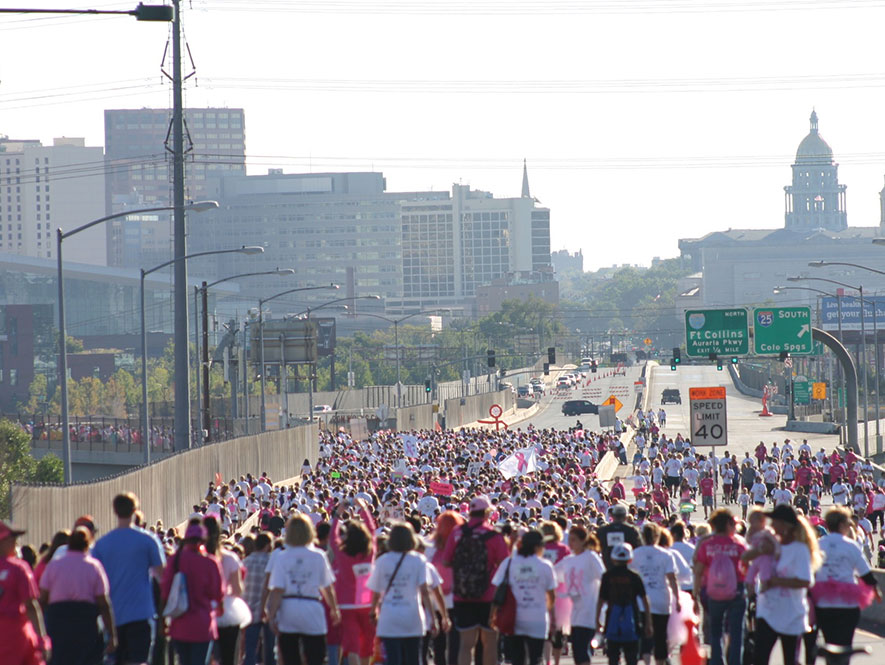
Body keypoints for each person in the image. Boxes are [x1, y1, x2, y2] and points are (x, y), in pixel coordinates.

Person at [91, 492, 165, 665]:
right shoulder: (148, 540)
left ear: (115, 511)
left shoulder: (102, 544)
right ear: (135, 510)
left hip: (111, 616)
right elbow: (163, 577)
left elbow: (93, 581)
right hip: (141, 613)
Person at [265, 514, 341, 665]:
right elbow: (327, 588)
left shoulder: (282, 557)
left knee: (290, 657)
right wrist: (334, 609)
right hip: (312, 607)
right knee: (316, 656)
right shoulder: (318, 556)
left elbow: (277, 590)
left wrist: (271, 615)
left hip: (289, 609)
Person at [441, 496, 509, 665]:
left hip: (462, 594)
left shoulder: (457, 533)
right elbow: (504, 563)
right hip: (488, 596)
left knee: (465, 644)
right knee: (490, 644)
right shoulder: (493, 535)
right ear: (487, 513)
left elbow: (446, 561)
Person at [753, 504, 821, 665]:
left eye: (775, 522)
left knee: (790, 659)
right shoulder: (772, 546)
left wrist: (776, 581)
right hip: (767, 611)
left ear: (785, 525)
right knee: (759, 658)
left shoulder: (800, 550)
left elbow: (805, 581)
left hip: (791, 613)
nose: (771, 526)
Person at [39, 525, 116, 665]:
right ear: (87, 544)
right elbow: (103, 603)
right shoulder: (94, 566)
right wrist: (112, 634)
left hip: (58, 623)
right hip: (86, 624)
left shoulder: (54, 565)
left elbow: (42, 599)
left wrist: (41, 630)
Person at [809, 507, 883, 646]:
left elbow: (810, 571)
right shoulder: (851, 546)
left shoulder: (819, 544)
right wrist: (876, 591)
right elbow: (866, 574)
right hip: (847, 603)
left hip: (823, 603)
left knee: (829, 642)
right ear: (842, 525)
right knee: (845, 643)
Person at [368, 522, 438, 665]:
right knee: (413, 658)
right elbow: (424, 591)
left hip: (389, 615)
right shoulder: (419, 560)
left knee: (393, 659)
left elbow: (375, 592)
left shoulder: (382, 561)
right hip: (412, 615)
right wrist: (432, 617)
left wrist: (373, 611)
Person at [160, 521, 224, 665]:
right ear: (204, 540)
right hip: (203, 624)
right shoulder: (211, 563)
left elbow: (165, 591)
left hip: (179, 623)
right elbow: (218, 593)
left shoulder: (175, 560)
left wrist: (163, 620)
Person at [491, 529, 557, 665]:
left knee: (517, 659)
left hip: (515, 618)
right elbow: (551, 596)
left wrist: (493, 614)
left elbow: (497, 590)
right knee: (536, 658)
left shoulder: (509, 563)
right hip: (538, 618)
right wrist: (551, 616)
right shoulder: (545, 566)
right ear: (537, 547)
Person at [694, 508, 747, 665]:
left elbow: (698, 570)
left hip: (713, 591)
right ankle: (735, 661)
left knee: (716, 631)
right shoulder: (738, 544)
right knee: (736, 632)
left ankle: (717, 661)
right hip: (736, 589)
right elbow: (748, 567)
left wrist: (696, 593)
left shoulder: (707, 545)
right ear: (729, 525)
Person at [331, 498, 377, 665]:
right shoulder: (369, 554)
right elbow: (372, 531)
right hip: (366, 603)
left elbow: (333, 539)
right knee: (367, 645)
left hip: (346, 604)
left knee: (352, 646)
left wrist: (337, 514)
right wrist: (364, 508)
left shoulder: (342, 556)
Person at [0, 520, 50, 665]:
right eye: (13, 539)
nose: (16, 543)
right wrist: (42, 640)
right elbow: (31, 605)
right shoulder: (18, 568)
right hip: (15, 632)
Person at [555, 526, 605, 665]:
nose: (570, 543)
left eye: (574, 540)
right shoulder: (568, 560)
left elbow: (604, 578)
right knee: (577, 651)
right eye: (569, 540)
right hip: (573, 612)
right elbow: (553, 575)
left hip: (588, 610)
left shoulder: (590, 557)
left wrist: (603, 605)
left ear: (583, 541)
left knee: (582, 650)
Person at [630, 523, 679, 665]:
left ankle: (646, 661)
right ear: (658, 536)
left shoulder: (636, 554)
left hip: (641, 600)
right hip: (662, 598)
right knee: (661, 634)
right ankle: (660, 662)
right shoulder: (666, 554)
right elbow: (672, 578)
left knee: (645, 634)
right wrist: (677, 598)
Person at [596, 543, 652, 665]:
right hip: (633, 619)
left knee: (613, 657)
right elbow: (644, 600)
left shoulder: (607, 576)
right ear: (630, 559)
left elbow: (601, 600)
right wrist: (648, 622)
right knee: (632, 657)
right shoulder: (635, 577)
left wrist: (596, 620)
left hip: (611, 620)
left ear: (612, 558)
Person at [242, 532, 275, 665]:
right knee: (270, 650)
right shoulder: (271, 561)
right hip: (268, 609)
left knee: (249, 650)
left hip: (249, 609)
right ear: (267, 545)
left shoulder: (246, 561)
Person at [596, 503, 641, 569]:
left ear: (612, 516)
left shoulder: (603, 530)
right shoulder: (632, 531)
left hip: (607, 567)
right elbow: (639, 549)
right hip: (627, 569)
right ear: (626, 517)